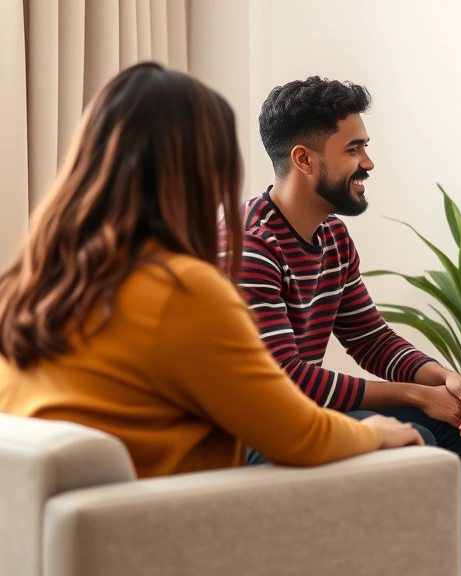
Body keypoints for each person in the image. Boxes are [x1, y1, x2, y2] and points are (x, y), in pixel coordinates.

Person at [0, 63, 422, 480]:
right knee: (413, 441)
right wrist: (373, 433)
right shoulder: (183, 287)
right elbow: (297, 432)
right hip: (169, 519)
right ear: (200, 169)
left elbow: (367, 338)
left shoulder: (27, 282)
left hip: (52, 530)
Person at [225, 76, 461, 575]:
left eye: (365, 146)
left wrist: (442, 379)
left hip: (300, 419)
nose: (368, 162)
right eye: (354, 148)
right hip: (250, 434)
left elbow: (370, 338)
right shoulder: (250, 246)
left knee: (460, 421)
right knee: (416, 445)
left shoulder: (332, 238)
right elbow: (287, 379)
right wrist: (412, 397)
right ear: (304, 159)